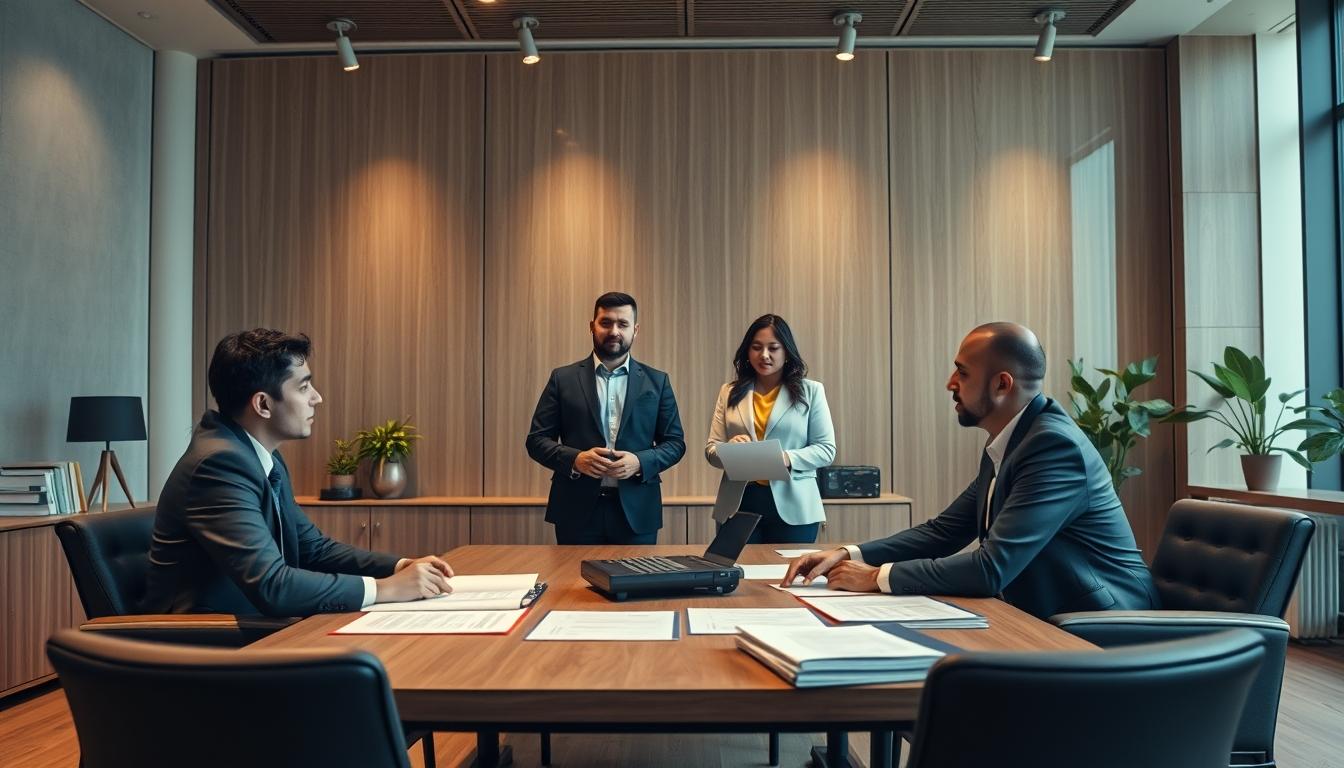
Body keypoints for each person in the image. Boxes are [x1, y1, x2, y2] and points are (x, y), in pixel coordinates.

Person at [783, 322, 1159, 620]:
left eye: (961, 373)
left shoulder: (1053, 448)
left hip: (1100, 625)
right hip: (1041, 616)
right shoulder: (1012, 440)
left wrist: (878, 577)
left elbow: (991, 568)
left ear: (1001, 384)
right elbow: (945, 531)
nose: (950, 384)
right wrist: (851, 553)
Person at [144, 329, 454, 617]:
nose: (316, 397)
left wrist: (399, 566)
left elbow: (312, 549)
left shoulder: (260, 457)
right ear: (263, 404)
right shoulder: (219, 466)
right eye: (304, 386)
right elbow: (272, 585)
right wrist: (385, 589)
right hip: (199, 645)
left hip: (252, 627)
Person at [525, 292, 687, 544]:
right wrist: (575, 460)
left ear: (635, 330)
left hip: (637, 511)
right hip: (575, 509)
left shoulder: (657, 381)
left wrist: (639, 462)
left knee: (634, 582)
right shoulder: (562, 378)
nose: (614, 331)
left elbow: (675, 443)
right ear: (592, 326)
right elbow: (536, 440)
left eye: (622, 324)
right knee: (571, 583)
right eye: (606, 322)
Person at [705, 314, 836, 543]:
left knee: (788, 576)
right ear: (747, 351)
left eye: (773, 348)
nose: (764, 355)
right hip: (739, 502)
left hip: (795, 504)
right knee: (740, 575)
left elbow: (826, 449)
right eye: (756, 347)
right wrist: (729, 449)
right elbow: (711, 451)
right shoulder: (729, 391)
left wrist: (784, 458)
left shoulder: (811, 391)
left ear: (787, 352)